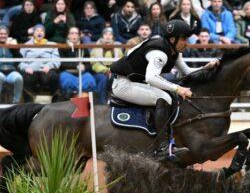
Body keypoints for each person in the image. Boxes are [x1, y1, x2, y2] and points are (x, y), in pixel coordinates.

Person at [109, 20, 220, 158]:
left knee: (169, 95)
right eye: (184, 39)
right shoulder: (159, 53)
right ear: (173, 39)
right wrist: (178, 88)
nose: (187, 43)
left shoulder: (174, 51)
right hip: (123, 85)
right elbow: (151, 78)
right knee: (164, 97)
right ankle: (162, 147)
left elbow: (186, 71)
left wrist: (205, 68)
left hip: (136, 83)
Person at [19, 24, 61, 101]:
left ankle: (55, 103)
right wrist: (26, 67)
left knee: (54, 77)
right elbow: (20, 62)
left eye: (41, 31)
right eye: (37, 30)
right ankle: (28, 105)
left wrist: (50, 66)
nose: (39, 32)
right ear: (33, 33)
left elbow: (57, 60)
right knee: (27, 79)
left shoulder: (52, 45)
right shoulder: (26, 45)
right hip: (31, 70)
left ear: (44, 34)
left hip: (46, 70)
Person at [58, 27, 97, 99]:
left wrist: (84, 67)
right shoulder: (63, 47)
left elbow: (89, 64)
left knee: (90, 80)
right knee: (66, 81)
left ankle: (88, 104)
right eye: (72, 33)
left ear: (79, 36)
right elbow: (62, 63)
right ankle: (67, 103)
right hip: (68, 73)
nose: (74, 35)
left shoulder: (83, 47)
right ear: (68, 36)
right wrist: (76, 66)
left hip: (82, 73)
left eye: (76, 33)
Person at [0, 25, 23, 104]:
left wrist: (14, 48)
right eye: (1, 34)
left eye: (5, 34)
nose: (3, 36)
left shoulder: (11, 44)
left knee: (19, 78)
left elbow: (19, 57)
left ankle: (15, 103)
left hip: (11, 71)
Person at [90, 27, 123, 103]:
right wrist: (106, 70)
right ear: (102, 36)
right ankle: (101, 102)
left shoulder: (117, 48)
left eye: (110, 34)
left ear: (113, 37)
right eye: (106, 34)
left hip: (114, 71)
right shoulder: (96, 47)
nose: (108, 36)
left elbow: (121, 61)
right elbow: (94, 63)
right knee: (103, 79)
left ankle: (116, 101)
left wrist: (112, 70)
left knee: (118, 79)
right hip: (100, 72)